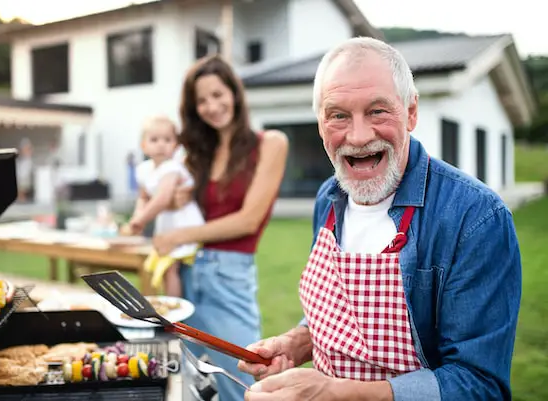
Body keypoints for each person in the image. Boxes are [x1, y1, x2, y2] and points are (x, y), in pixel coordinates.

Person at [237, 37, 522, 401]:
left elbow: (481, 386)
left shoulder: (476, 218)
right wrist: (298, 342)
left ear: (412, 112)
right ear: (321, 124)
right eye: (338, 115)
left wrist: (337, 393)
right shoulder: (329, 197)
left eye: (377, 111)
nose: (358, 136)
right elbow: (344, 312)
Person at [151, 54, 289, 401]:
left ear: (235, 93)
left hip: (228, 278)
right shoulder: (195, 156)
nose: (212, 106)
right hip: (186, 274)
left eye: (218, 94)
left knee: (243, 385)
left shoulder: (270, 143)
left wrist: (179, 235)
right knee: (194, 386)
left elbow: (249, 219)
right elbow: (166, 195)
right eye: (201, 100)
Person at [121, 115, 205, 297]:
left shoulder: (171, 168)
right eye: (154, 140)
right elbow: (143, 196)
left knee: (170, 266)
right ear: (144, 145)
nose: (161, 144)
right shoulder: (143, 169)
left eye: (167, 140)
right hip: (167, 222)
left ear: (175, 146)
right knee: (163, 265)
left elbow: (163, 198)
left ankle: (173, 307)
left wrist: (141, 220)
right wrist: (138, 216)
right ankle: (167, 302)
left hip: (183, 223)